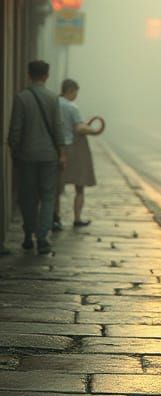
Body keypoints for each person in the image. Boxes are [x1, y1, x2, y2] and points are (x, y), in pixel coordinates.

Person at [7, 60, 64, 255]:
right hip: (49, 156)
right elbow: (58, 128)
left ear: (28, 75)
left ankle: (28, 234)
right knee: (48, 196)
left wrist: (14, 151)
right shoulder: (52, 98)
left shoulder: (21, 98)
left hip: (27, 156)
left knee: (27, 197)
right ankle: (42, 238)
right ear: (46, 76)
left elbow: (15, 129)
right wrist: (62, 153)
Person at [54, 79, 101, 228]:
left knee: (56, 188)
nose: (76, 96)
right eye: (76, 92)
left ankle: (55, 219)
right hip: (73, 148)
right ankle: (77, 218)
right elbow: (79, 128)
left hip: (57, 148)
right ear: (71, 90)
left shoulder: (54, 104)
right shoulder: (71, 107)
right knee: (79, 186)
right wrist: (94, 130)